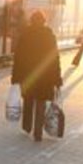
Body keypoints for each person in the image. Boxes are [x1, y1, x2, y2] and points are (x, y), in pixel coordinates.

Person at [10, 10, 62, 142]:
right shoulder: (49, 35)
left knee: (28, 100)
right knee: (41, 103)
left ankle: (27, 127)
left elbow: (18, 57)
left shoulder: (25, 34)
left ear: (31, 20)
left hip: (28, 74)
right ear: (44, 21)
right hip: (45, 76)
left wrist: (15, 77)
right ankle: (37, 133)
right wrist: (57, 79)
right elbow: (54, 58)